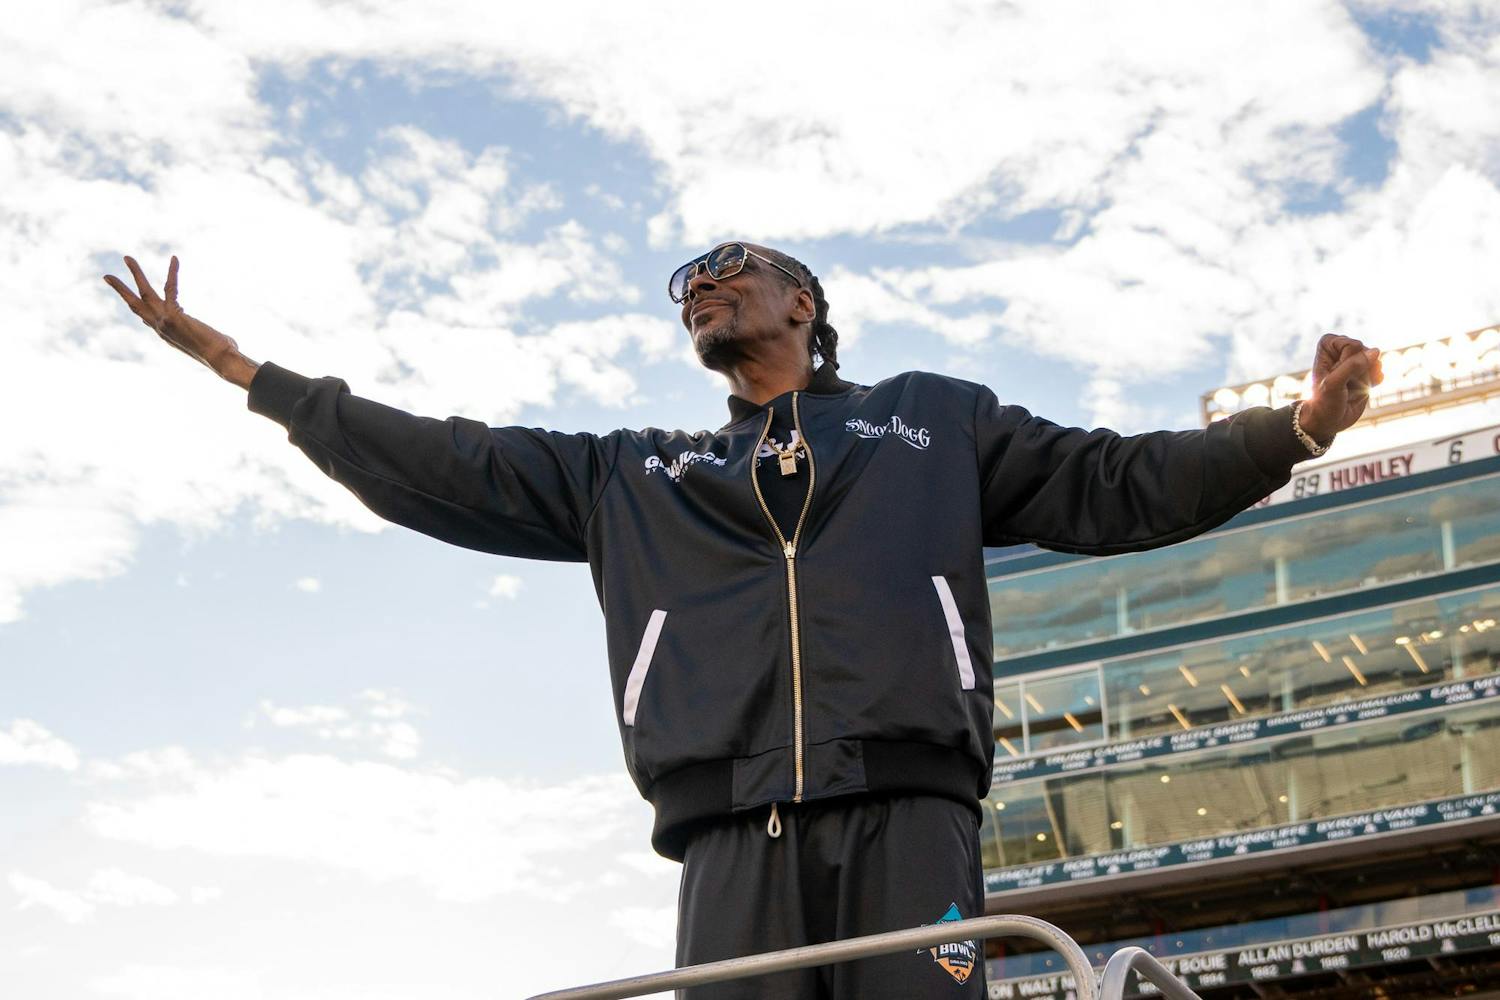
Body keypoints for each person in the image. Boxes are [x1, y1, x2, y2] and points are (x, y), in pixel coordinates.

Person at [104, 245, 1382, 999]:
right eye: (688, 287)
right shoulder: (636, 473)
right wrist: (249, 374)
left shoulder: (930, 419)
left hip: (908, 813)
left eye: (731, 270)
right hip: (728, 829)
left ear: (804, 306)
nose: (702, 288)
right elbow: (451, 461)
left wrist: (1296, 427)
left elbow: (1119, 481)